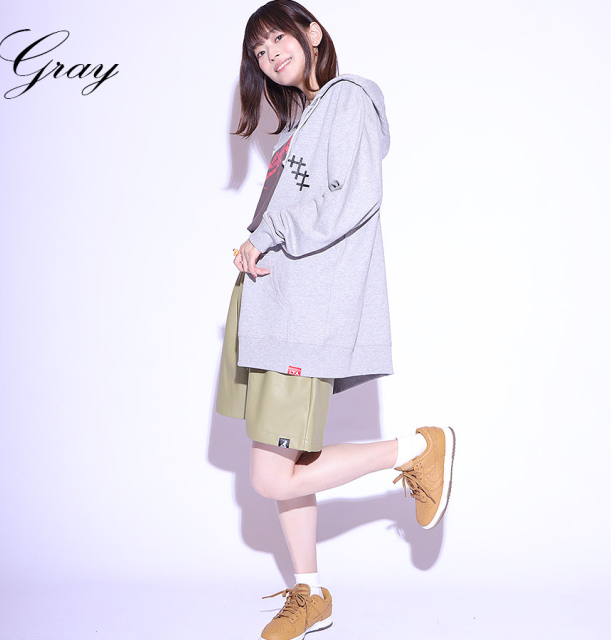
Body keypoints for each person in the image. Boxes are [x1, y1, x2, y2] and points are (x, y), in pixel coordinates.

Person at [215, 2, 455, 639]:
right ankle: (311, 591)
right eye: (258, 52)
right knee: (288, 463)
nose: (270, 56)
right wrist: (255, 248)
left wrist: (269, 236)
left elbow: (352, 198)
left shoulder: (349, 98)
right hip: (271, 306)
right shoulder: (302, 121)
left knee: (270, 475)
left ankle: (417, 449)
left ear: (312, 32)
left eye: (277, 39)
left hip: (300, 314)